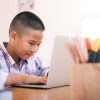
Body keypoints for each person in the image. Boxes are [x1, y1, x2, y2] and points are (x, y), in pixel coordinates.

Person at [0, 11, 49, 85]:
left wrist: (49, 74)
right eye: (31, 43)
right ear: (13, 37)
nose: (35, 50)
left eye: (38, 44)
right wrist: (25, 78)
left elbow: (45, 70)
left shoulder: (33, 59)